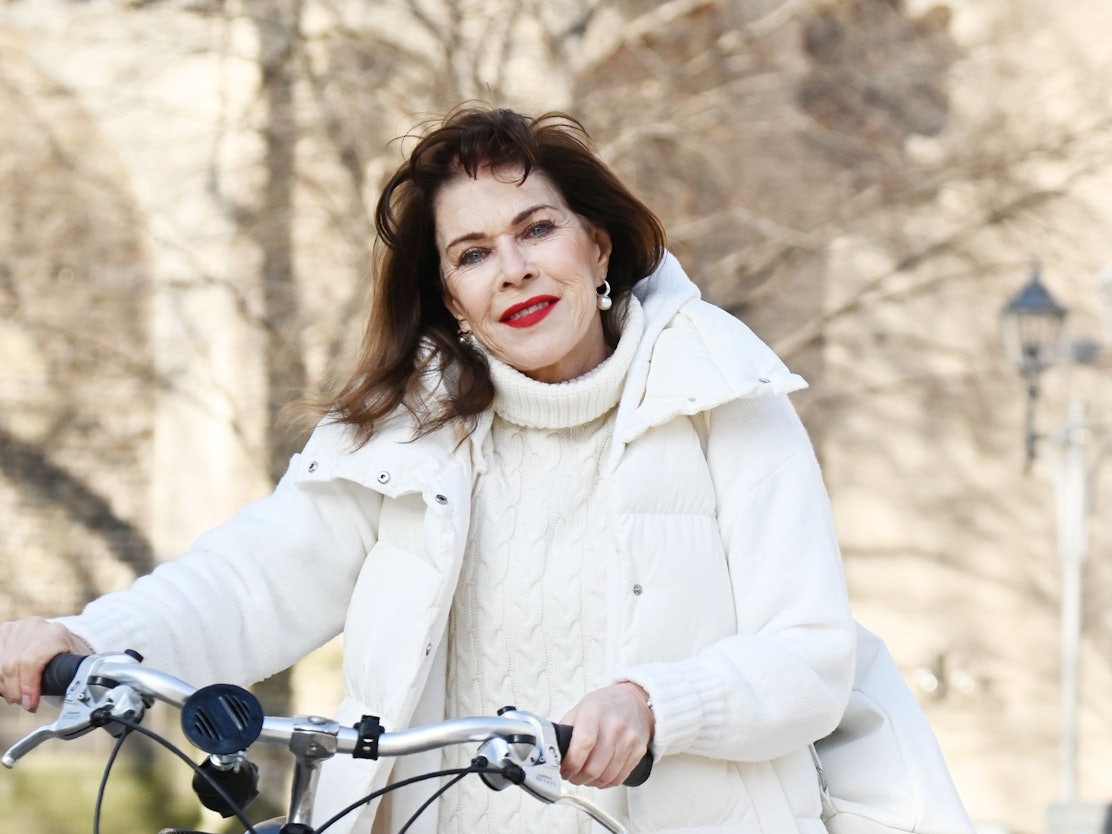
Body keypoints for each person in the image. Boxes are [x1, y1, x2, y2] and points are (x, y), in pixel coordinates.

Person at [0, 104, 856, 834]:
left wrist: (654, 702)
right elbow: (249, 579)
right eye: (473, 254)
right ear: (453, 300)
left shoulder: (723, 398)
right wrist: (91, 639)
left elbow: (811, 657)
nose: (513, 268)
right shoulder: (406, 433)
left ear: (597, 248)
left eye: (537, 229)